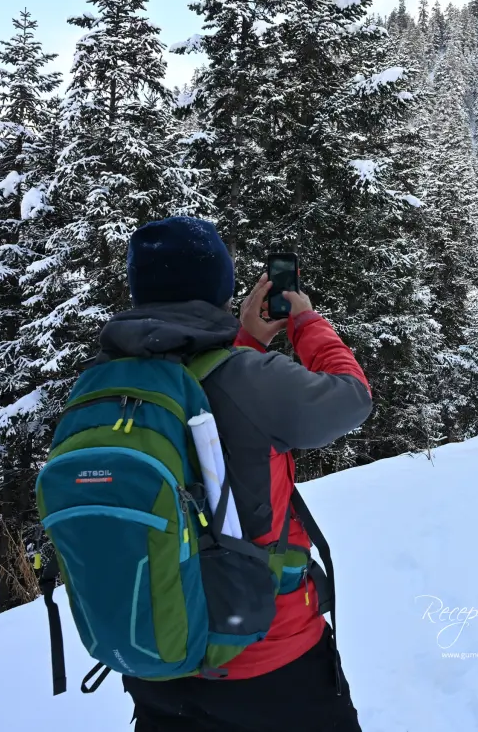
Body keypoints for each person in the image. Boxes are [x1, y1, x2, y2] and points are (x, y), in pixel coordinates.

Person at [106, 217, 370, 732]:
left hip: (157, 654)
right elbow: (351, 398)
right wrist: (305, 324)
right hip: (269, 660)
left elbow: (209, 407)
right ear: (220, 288)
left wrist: (247, 341)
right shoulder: (247, 378)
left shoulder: (106, 383)